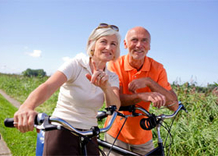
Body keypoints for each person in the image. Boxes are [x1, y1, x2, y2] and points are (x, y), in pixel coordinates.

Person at [13, 23, 121, 155]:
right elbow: (48, 87)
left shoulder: (112, 77)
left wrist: (106, 88)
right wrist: (27, 107)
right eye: (103, 42)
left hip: (90, 133)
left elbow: (114, 107)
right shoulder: (76, 64)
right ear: (92, 44)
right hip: (62, 130)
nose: (108, 47)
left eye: (113, 44)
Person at [104, 26, 179, 155]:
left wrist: (149, 82)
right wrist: (142, 96)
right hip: (116, 134)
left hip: (143, 135)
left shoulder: (158, 68)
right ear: (125, 44)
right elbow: (114, 102)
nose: (139, 45)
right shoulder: (114, 64)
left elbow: (174, 105)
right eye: (134, 40)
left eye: (144, 41)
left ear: (149, 46)